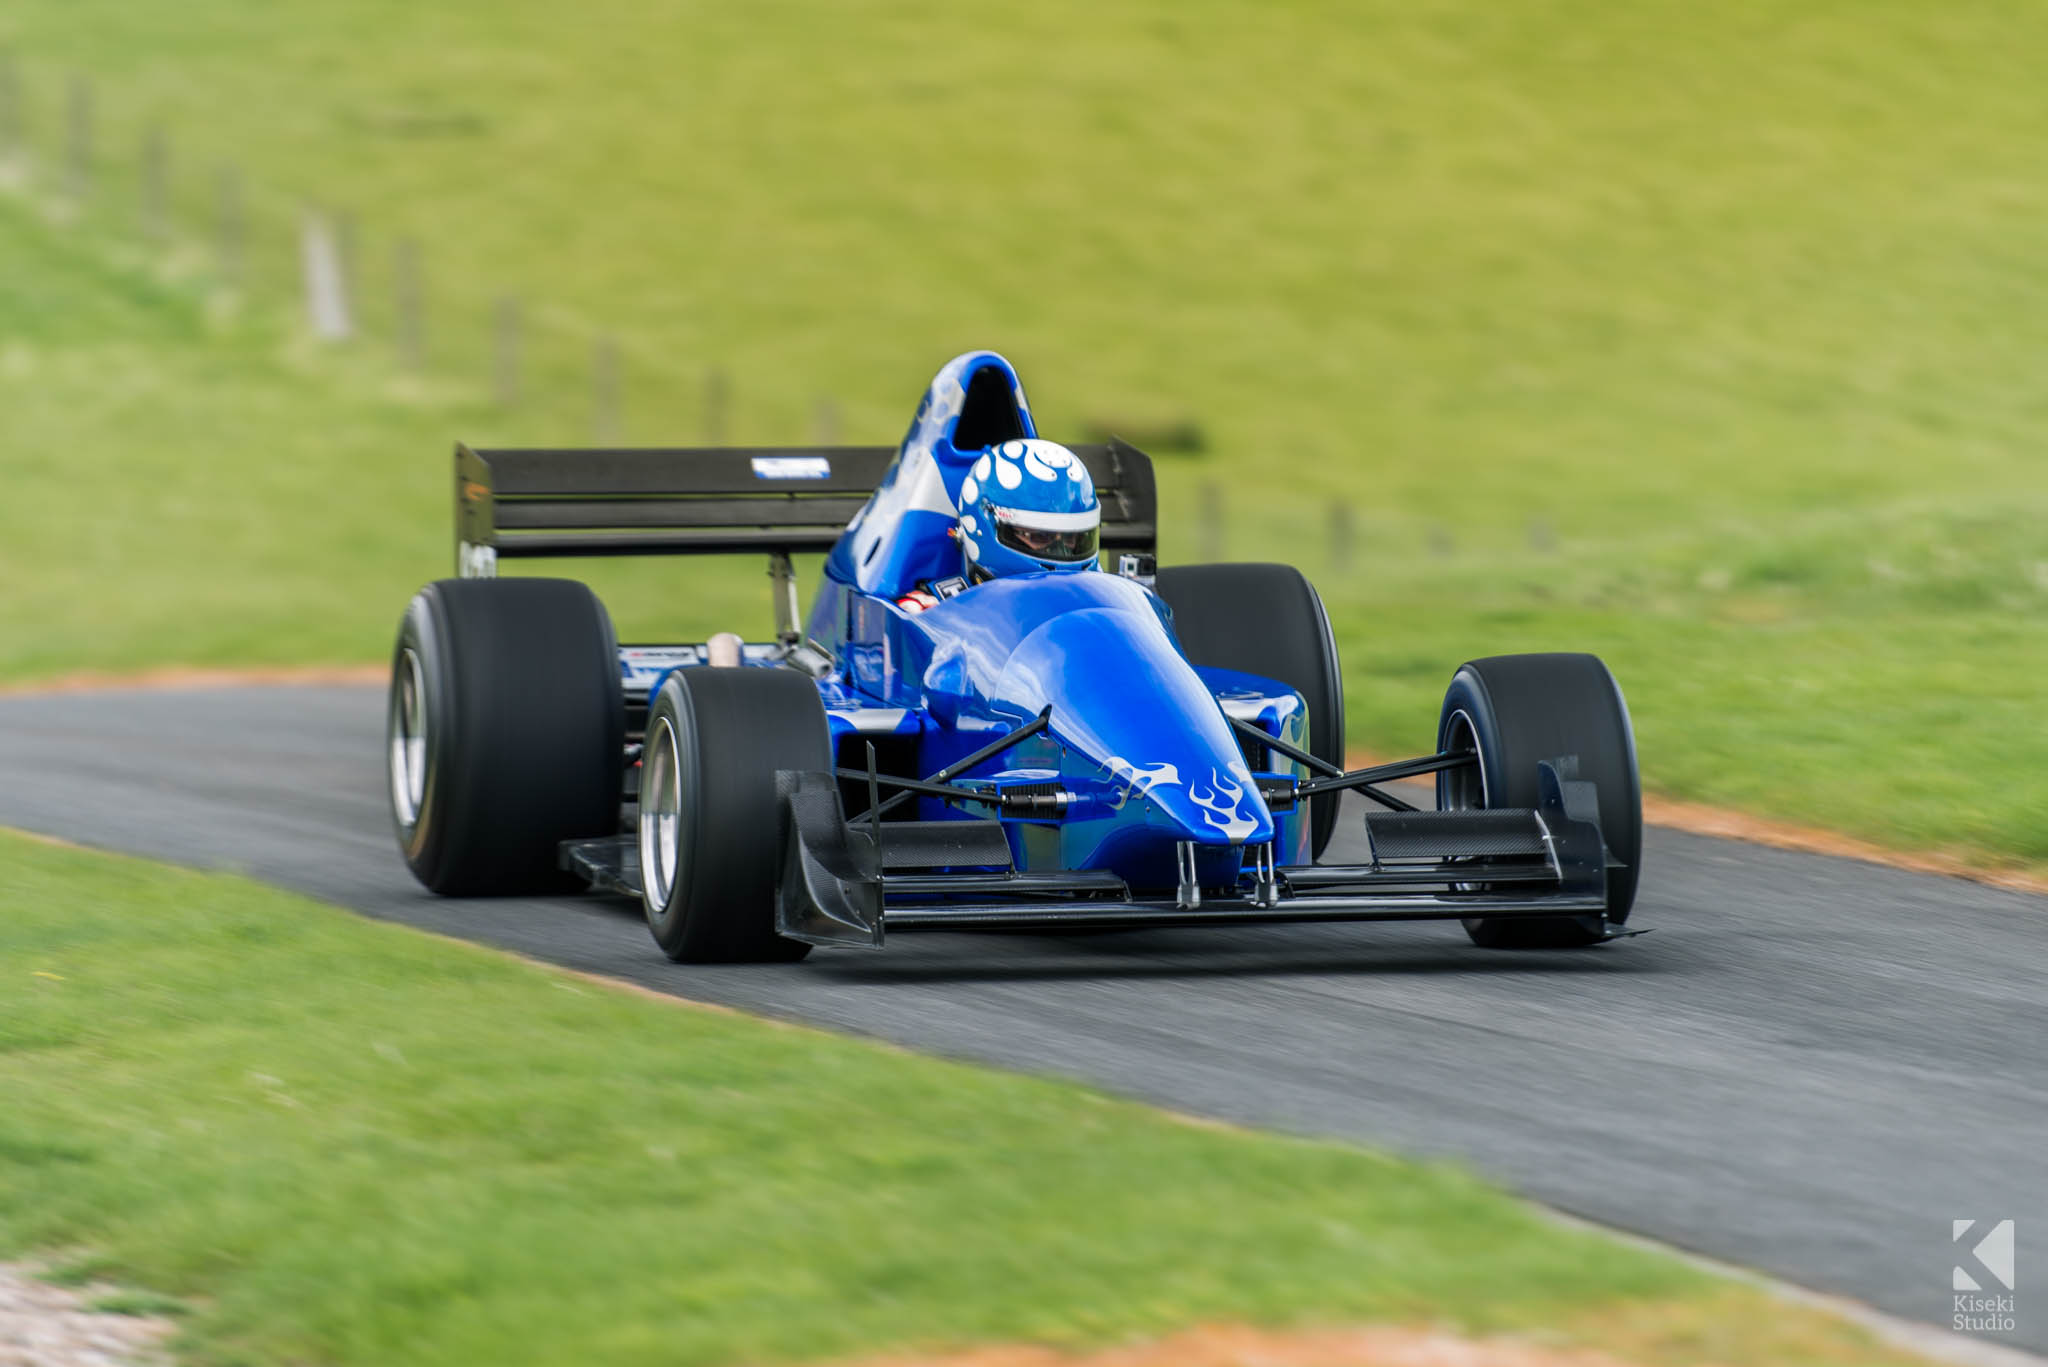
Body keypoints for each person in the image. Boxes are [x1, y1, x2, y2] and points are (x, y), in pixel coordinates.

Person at [896, 439, 1102, 611]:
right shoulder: (932, 614)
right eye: (1040, 537)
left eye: (1072, 539)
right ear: (984, 529)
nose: (1062, 552)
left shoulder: (1109, 604)